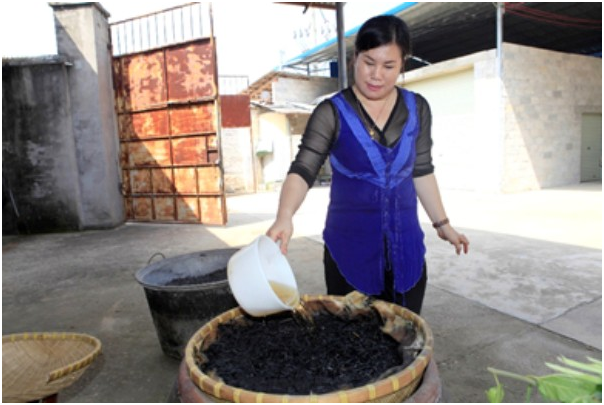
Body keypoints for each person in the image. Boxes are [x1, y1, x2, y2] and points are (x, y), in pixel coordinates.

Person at [266, 15, 469, 315]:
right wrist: (284, 216)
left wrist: (443, 225)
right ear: (354, 58)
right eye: (368, 62)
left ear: (403, 65)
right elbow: (303, 168)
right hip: (349, 252)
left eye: (389, 66)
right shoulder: (331, 113)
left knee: (406, 337)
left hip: (406, 251)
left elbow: (422, 169)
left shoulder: (419, 109)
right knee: (354, 344)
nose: (376, 75)